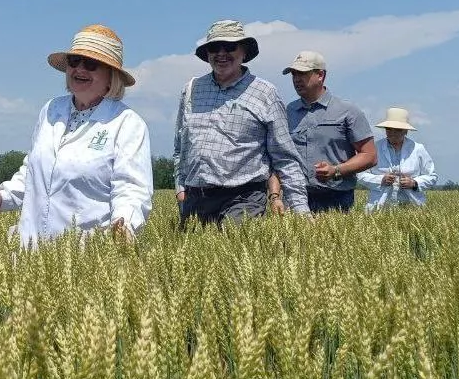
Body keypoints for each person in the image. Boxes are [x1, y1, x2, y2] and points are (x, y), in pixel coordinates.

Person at [0, 25, 153, 248]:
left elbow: (131, 188)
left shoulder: (127, 123)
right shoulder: (51, 110)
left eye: (91, 64)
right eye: (74, 61)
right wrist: (4, 198)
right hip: (31, 249)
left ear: (111, 76)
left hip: (89, 252)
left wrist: (124, 226)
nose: (80, 69)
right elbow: (33, 170)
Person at [173, 19, 311, 226]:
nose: (221, 53)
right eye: (214, 47)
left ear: (244, 52)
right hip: (196, 199)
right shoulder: (191, 90)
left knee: (232, 243)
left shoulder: (265, 93)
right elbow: (180, 148)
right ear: (207, 53)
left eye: (229, 46)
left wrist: (300, 210)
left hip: (243, 199)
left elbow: (285, 157)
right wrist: (180, 188)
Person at [267, 51, 376, 214]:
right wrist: (275, 195)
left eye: (302, 73)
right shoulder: (287, 112)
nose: (296, 79)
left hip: (337, 198)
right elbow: (279, 157)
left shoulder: (348, 111)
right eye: (294, 74)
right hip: (296, 197)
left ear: (320, 75)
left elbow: (370, 155)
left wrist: (336, 170)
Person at [357, 107, 438, 212]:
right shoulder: (374, 148)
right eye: (389, 129)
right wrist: (381, 180)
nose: (393, 132)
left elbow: (432, 176)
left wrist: (414, 183)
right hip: (379, 207)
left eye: (398, 130)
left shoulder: (418, 149)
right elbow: (360, 175)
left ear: (406, 131)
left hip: (412, 207)